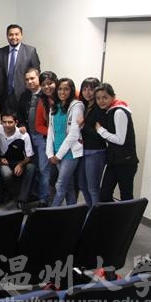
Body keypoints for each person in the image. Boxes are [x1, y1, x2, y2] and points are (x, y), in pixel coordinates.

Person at [95, 83, 139, 202]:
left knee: (126, 197)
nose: (101, 101)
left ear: (113, 96)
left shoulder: (119, 111)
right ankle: (115, 214)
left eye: (105, 97)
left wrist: (100, 130)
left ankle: (128, 215)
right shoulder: (110, 111)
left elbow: (120, 140)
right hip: (114, 161)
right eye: (98, 98)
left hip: (126, 162)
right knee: (104, 195)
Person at [47, 78, 84, 207]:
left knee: (61, 185)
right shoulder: (54, 106)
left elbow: (74, 134)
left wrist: (58, 156)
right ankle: (72, 211)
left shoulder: (76, 106)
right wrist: (50, 153)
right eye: (60, 89)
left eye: (66, 89)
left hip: (69, 153)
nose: (62, 92)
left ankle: (51, 213)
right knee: (69, 185)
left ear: (71, 90)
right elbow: (51, 130)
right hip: (56, 151)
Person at [17, 68, 49, 206]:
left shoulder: (46, 94)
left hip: (42, 137)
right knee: (33, 166)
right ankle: (34, 194)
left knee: (43, 168)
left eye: (32, 78)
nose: (30, 82)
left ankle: (43, 199)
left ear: (38, 78)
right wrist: (21, 124)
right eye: (27, 79)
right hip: (29, 137)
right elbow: (19, 114)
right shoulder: (24, 95)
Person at [0, 111, 35, 209]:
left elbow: (29, 156)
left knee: (31, 167)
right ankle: (11, 194)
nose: (7, 125)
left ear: (16, 122)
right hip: (3, 161)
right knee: (6, 173)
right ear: (1, 122)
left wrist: (21, 165)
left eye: (10, 122)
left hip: (18, 161)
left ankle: (22, 199)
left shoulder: (23, 135)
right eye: (4, 122)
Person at [0, 24, 41, 112]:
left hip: (24, 95)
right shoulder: (0, 52)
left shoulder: (30, 51)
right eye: (11, 34)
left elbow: (36, 73)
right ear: (7, 36)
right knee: (6, 120)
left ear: (21, 35)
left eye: (16, 34)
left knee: (22, 120)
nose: (14, 37)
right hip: (4, 97)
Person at [77, 77, 107, 207]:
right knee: (82, 185)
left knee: (93, 188)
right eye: (84, 89)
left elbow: (101, 135)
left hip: (96, 152)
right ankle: (91, 211)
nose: (87, 92)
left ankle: (97, 216)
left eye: (91, 89)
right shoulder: (83, 106)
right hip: (83, 151)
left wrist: (83, 127)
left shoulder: (100, 108)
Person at [35, 70, 58, 204]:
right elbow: (38, 126)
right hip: (48, 139)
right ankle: (44, 199)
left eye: (50, 83)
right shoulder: (42, 101)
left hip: (67, 141)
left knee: (63, 174)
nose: (47, 87)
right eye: (43, 85)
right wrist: (52, 133)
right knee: (44, 169)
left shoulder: (68, 95)